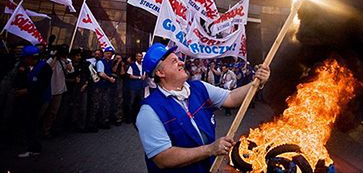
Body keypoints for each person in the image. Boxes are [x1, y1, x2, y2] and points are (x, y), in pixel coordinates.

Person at [136, 43, 270, 172]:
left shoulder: (199, 87)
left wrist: (256, 83)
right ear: (160, 73)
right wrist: (210, 149)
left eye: (179, 59)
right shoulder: (149, 111)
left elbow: (231, 98)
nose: (182, 62)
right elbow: (163, 158)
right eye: (174, 61)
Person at [15, 46, 52, 157]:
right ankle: (30, 145)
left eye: (25, 58)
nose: (24, 60)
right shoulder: (26, 67)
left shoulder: (45, 68)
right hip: (28, 100)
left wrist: (26, 90)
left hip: (40, 99)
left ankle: (34, 148)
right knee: (28, 122)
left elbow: (42, 85)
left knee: (32, 123)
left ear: (30, 58)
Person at [43, 44, 73, 138]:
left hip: (59, 89)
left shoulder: (67, 61)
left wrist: (65, 60)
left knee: (53, 112)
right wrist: (55, 57)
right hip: (48, 89)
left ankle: (46, 131)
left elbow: (70, 70)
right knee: (42, 111)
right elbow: (47, 68)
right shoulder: (52, 59)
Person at [95, 46, 116, 129]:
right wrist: (109, 78)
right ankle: (95, 123)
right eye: (108, 53)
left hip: (107, 87)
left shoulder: (109, 62)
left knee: (106, 104)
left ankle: (104, 121)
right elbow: (101, 73)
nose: (109, 55)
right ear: (104, 53)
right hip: (100, 86)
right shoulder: (101, 62)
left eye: (111, 54)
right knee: (98, 105)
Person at [126, 52, 146, 123]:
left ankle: (139, 117)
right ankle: (129, 118)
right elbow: (130, 76)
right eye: (138, 56)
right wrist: (139, 77)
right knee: (131, 102)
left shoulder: (144, 65)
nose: (140, 58)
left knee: (140, 102)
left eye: (141, 56)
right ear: (136, 57)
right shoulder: (132, 65)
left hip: (141, 86)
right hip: (133, 87)